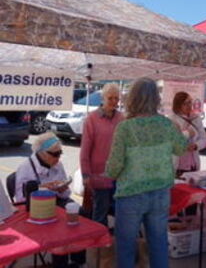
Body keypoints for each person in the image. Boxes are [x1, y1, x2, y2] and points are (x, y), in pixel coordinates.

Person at [106, 77, 188, 268]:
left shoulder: (125, 127)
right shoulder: (166, 124)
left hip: (130, 194)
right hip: (160, 193)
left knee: (126, 247)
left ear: (132, 98)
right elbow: (181, 149)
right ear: (156, 99)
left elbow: (114, 166)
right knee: (158, 243)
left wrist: (109, 174)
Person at [15, 132, 86, 268]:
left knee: (79, 214)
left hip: (57, 201)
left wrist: (62, 188)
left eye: (60, 153)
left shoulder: (57, 165)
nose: (58, 157)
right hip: (36, 207)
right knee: (59, 226)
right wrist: (45, 188)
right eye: (55, 154)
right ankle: (61, 263)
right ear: (41, 153)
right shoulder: (26, 168)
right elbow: (21, 200)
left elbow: (66, 195)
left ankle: (78, 261)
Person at [80, 83, 124, 226]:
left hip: (119, 174)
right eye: (110, 98)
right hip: (99, 175)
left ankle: (113, 245)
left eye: (116, 98)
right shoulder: (92, 119)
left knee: (120, 212)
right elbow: (85, 149)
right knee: (100, 213)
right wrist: (86, 174)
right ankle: (98, 245)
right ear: (103, 98)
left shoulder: (122, 118)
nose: (114, 102)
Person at [170, 91, 206, 176]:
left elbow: (203, 139)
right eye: (185, 103)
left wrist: (196, 146)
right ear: (178, 104)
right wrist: (187, 133)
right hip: (178, 166)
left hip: (193, 165)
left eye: (190, 102)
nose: (189, 105)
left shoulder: (196, 118)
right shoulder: (171, 119)